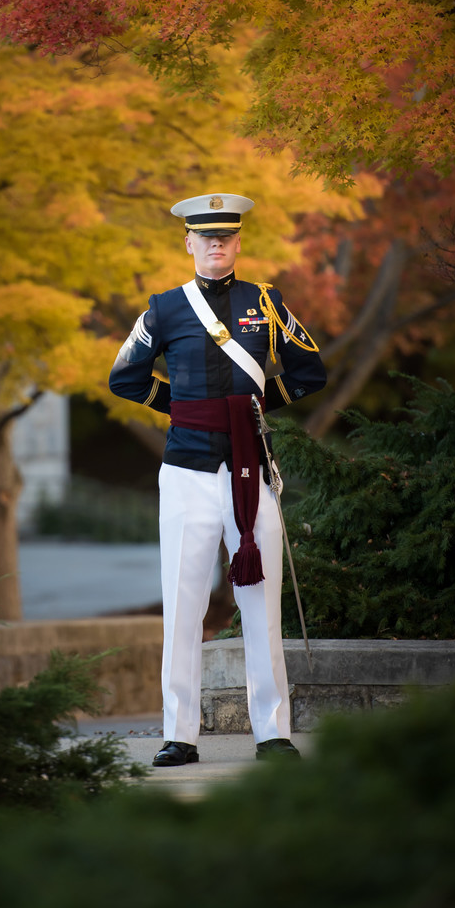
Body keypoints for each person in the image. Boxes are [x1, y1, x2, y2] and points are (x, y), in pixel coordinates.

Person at [109, 192, 327, 765]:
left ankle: (272, 732)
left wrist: (255, 410)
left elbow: (310, 371)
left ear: (237, 243)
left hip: (250, 468)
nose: (216, 245)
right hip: (186, 471)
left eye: (226, 237)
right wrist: (182, 409)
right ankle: (179, 735)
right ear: (189, 244)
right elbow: (124, 378)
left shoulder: (267, 303)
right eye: (206, 238)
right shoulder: (163, 308)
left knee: (261, 605)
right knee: (181, 608)